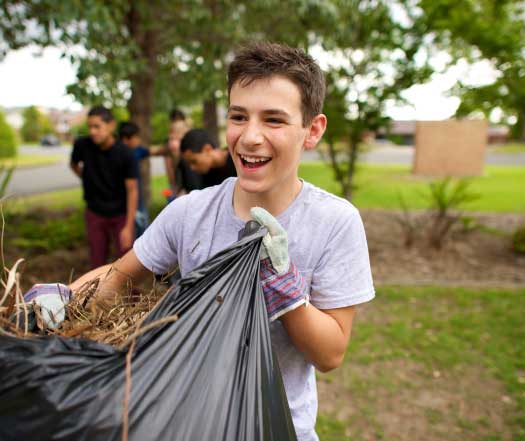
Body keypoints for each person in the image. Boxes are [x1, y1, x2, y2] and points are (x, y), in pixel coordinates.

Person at [68, 42, 375, 440]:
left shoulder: (334, 222)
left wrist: (288, 294)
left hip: (276, 428)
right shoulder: (190, 212)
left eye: (274, 120)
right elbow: (117, 276)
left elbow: (331, 353)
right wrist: (59, 303)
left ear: (312, 130)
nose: (249, 137)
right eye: (238, 116)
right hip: (185, 425)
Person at [70, 106, 139, 269]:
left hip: (120, 214)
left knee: (125, 265)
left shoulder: (126, 154)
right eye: (90, 127)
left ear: (111, 125)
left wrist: (129, 227)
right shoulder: (82, 145)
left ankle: (130, 296)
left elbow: (133, 190)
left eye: (97, 126)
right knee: (97, 262)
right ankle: (98, 295)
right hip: (95, 212)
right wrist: (86, 177)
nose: (93, 131)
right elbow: (73, 164)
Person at [118, 121, 156, 238]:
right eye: (137, 137)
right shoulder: (122, 154)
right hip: (123, 203)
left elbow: (153, 150)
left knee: (142, 230)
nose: (139, 140)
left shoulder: (137, 150)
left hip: (137, 201)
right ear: (126, 138)